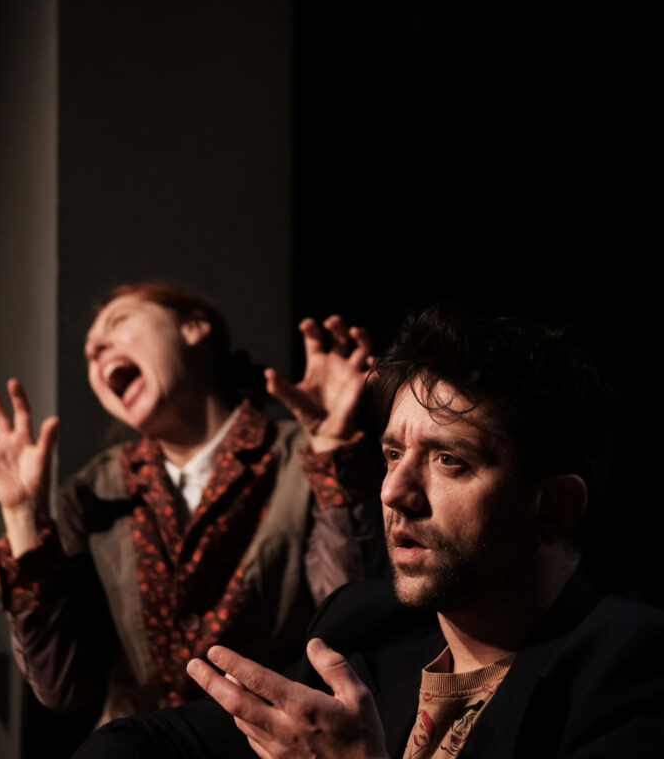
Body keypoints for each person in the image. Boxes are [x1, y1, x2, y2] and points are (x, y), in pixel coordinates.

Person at [71, 301, 664, 758]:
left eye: (449, 461)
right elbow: (149, 742)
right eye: (392, 455)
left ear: (554, 508)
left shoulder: (629, 667)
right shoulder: (364, 627)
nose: (393, 492)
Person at [0, 281, 383, 726]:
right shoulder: (93, 491)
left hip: (269, 745)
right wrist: (20, 513)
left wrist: (331, 451)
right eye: (89, 352)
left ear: (194, 328)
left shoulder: (303, 460)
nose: (96, 351)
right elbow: (61, 684)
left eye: (118, 322)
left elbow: (345, 631)